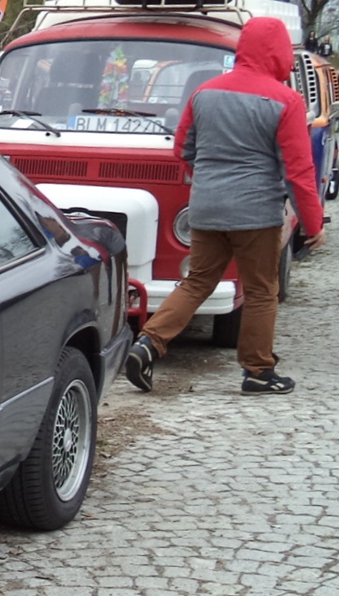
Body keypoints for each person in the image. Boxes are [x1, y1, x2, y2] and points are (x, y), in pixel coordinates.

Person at [125, 17, 326, 395]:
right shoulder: (286, 100)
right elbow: (298, 171)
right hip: (256, 214)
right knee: (262, 289)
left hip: (207, 208)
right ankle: (258, 371)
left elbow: (183, 150)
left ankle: (148, 343)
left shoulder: (205, 93)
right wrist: (313, 225)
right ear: (280, 52)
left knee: (197, 281)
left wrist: (209, 181)